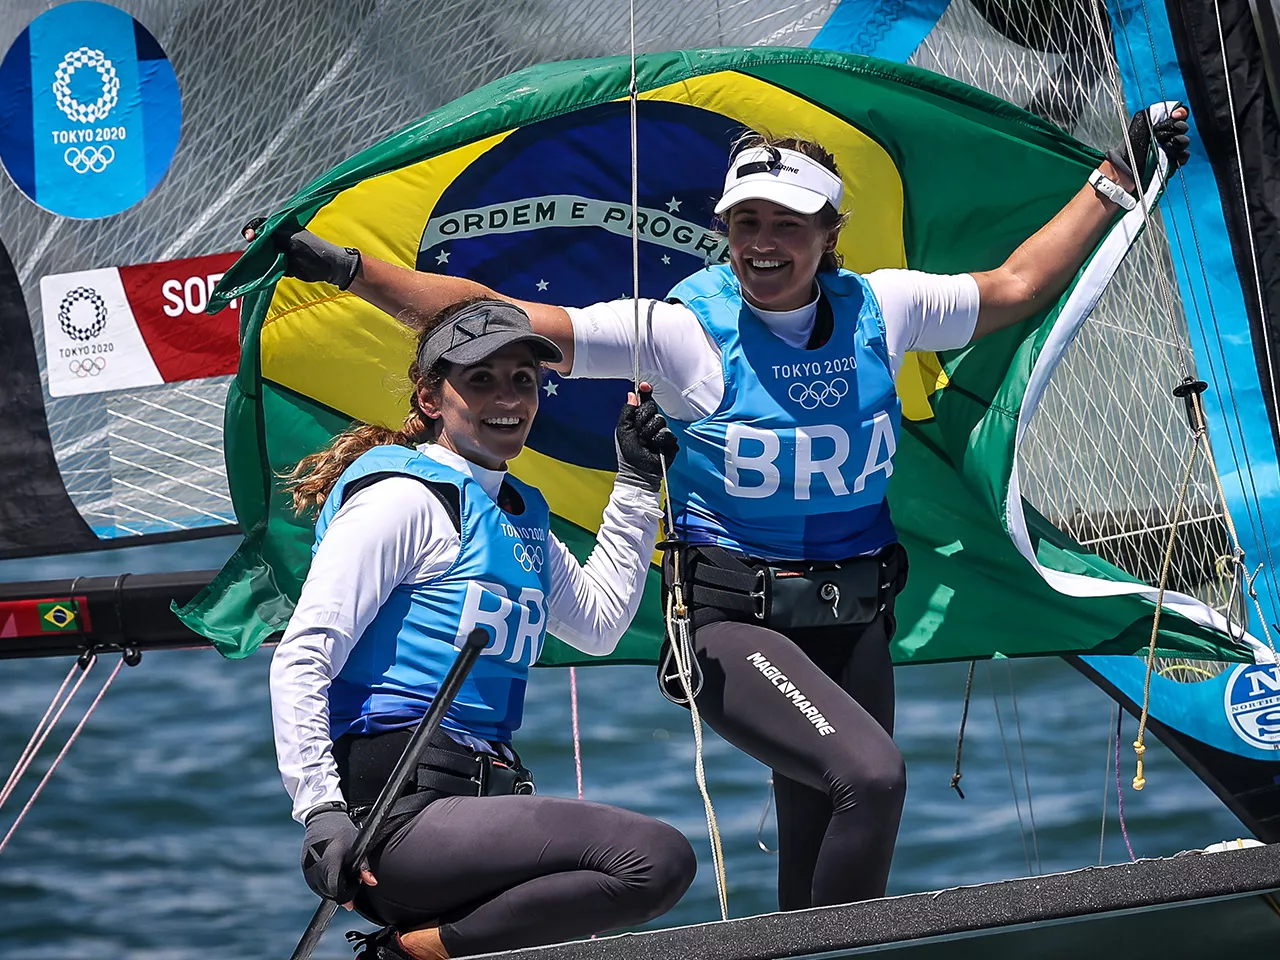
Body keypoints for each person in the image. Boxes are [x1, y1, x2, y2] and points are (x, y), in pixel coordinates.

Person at [261, 104, 1191, 912]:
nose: (761, 243)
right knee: (873, 777)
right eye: (745, 221)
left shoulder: (887, 310)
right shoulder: (681, 332)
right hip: (734, 626)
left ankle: (807, 947)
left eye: (786, 223)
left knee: (827, 828)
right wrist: (344, 270)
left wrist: (1116, 176)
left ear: (829, 232)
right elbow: (495, 314)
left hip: (854, 616)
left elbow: (1019, 289)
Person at [269, 297, 695, 960]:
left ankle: (426, 949)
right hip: (392, 817)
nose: (508, 398)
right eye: (481, 379)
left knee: (647, 865)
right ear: (431, 397)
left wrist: (636, 480)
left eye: (523, 380)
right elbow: (303, 658)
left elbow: (601, 623)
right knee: (651, 858)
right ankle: (408, 956)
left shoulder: (517, 512)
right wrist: (321, 816)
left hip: (472, 804)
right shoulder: (402, 501)